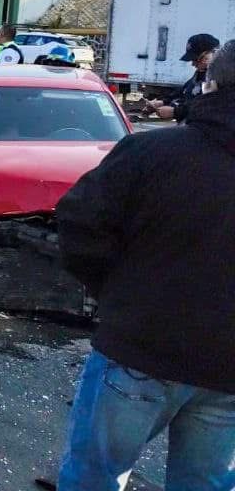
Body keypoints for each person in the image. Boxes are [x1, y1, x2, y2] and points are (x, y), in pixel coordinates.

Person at [55, 39, 235, 490]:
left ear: (210, 86)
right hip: (226, 373)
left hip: (139, 349)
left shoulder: (151, 155)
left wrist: (114, 294)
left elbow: (78, 224)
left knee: (94, 478)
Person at [148, 32, 218, 123]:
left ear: (212, 54)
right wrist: (163, 102)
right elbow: (184, 91)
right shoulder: (201, 74)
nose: (193, 64)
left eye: (197, 59)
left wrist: (175, 112)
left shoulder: (215, 77)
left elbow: (206, 106)